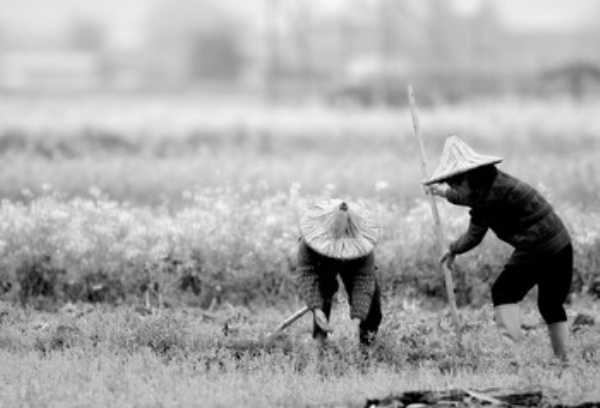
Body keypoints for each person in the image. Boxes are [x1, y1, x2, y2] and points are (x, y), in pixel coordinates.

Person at [425, 135, 572, 363]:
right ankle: (563, 360)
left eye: (455, 184)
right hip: (561, 243)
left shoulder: (487, 197)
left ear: (469, 177)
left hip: (537, 246)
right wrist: (442, 192)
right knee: (551, 304)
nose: (454, 188)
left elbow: (474, 235)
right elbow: (466, 196)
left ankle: (513, 358)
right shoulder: (490, 182)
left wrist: (453, 249)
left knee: (504, 292)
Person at [297, 199, 382, 348]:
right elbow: (307, 275)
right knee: (323, 289)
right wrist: (316, 309)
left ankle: (367, 345)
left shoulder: (362, 246)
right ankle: (319, 341)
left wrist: (357, 319)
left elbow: (364, 281)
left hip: (354, 261)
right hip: (323, 261)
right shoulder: (310, 244)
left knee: (372, 309)